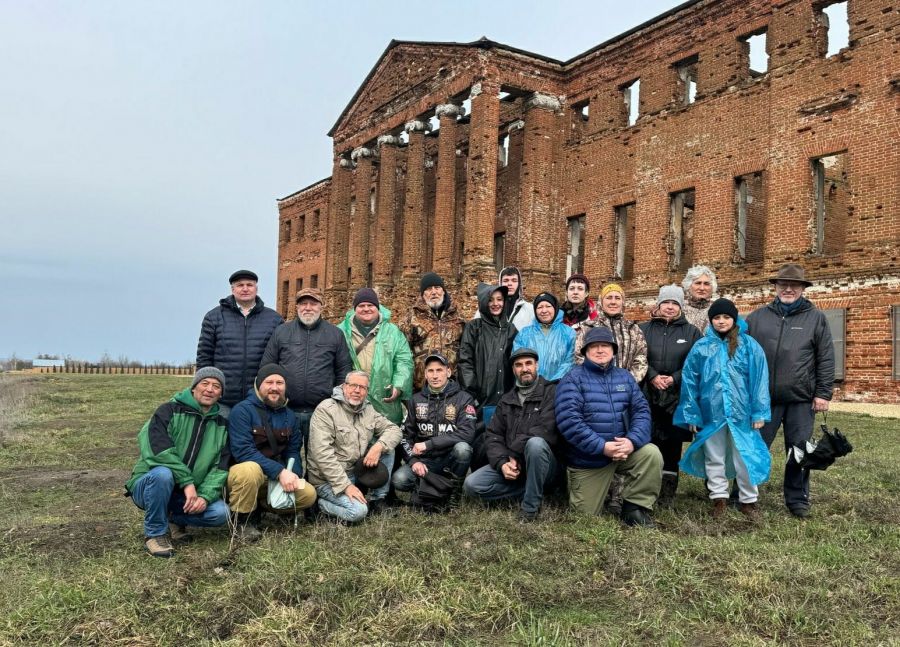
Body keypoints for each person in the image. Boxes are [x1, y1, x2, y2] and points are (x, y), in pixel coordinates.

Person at [746, 264, 834, 518]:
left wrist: (823, 393)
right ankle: (743, 493)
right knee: (754, 447)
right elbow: (742, 354)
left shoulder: (816, 318)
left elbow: (826, 358)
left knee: (798, 450)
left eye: (794, 285)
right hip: (764, 399)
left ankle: (797, 499)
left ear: (802, 288)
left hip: (801, 399)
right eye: (783, 285)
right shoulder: (757, 318)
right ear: (775, 287)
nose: (788, 289)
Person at [675, 298, 772, 520]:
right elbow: (690, 382)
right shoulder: (701, 347)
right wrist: (692, 414)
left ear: (734, 319)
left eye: (726, 317)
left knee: (744, 455)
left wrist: (759, 411)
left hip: (742, 413)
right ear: (711, 320)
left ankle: (748, 500)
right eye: (717, 317)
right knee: (714, 456)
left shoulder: (749, 346)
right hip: (711, 413)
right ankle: (718, 498)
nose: (721, 321)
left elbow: (759, 379)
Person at [555, 327, 662, 527]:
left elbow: (641, 411)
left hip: (624, 452)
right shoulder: (572, 379)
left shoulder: (625, 377)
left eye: (605, 345)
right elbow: (569, 421)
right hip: (589, 459)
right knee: (585, 519)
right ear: (585, 352)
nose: (600, 350)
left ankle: (634, 508)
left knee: (651, 454)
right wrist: (602, 447)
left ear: (613, 350)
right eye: (594, 346)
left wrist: (631, 442)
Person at [125, 367, 231, 557]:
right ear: (193, 387)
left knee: (221, 513)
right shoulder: (168, 411)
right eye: (205, 383)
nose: (210, 389)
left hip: (185, 496)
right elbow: (157, 451)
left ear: (221, 393)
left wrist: (204, 496)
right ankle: (155, 534)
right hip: (151, 485)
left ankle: (173, 519)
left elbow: (220, 468)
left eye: (216, 386)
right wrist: (187, 482)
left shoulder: (222, 426)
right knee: (163, 474)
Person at [464, 348, 562, 522]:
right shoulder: (507, 399)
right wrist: (502, 463)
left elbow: (546, 429)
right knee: (472, 485)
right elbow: (493, 435)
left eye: (528, 363)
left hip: (544, 466)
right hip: (513, 466)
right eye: (519, 365)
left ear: (537, 365)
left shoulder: (552, 392)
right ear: (513, 370)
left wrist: (513, 453)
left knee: (536, 444)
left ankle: (530, 508)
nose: (524, 369)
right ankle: (532, 491)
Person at [226, 364, 317, 541]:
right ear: (258, 384)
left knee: (308, 494)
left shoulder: (290, 416)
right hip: (242, 476)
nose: (274, 387)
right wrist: (280, 472)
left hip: (273, 478)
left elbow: (293, 451)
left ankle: (261, 506)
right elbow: (243, 452)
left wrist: (292, 474)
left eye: (279, 383)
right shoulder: (242, 411)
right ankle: (242, 522)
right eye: (269, 382)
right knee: (250, 470)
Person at [260, 288, 353, 451]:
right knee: (284, 455)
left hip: (321, 411)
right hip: (285, 409)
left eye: (313, 303)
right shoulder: (282, 332)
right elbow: (267, 368)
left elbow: (343, 371)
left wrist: (336, 404)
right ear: (296, 307)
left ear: (321, 306)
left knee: (319, 458)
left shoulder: (335, 334)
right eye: (303, 303)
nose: (308, 308)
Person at [307, 371, 403, 522]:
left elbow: (394, 430)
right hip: (328, 480)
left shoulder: (368, 409)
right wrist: (346, 486)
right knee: (357, 512)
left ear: (367, 391)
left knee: (387, 448)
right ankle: (320, 505)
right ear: (344, 387)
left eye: (362, 387)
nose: (357, 391)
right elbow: (322, 455)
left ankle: (378, 501)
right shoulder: (326, 410)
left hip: (356, 472)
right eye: (353, 385)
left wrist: (378, 447)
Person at [639, 285, 702, 507]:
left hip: (677, 398)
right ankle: (646, 489)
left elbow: (696, 363)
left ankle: (667, 493)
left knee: (672, 447)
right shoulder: (643, 329)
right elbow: (638, 356)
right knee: (648, 443)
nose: (670, 307)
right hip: (648, 395)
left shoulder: (692, 332)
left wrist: (675, 378)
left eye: (675, 303)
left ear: (681, 307)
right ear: (658, 305)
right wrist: (653, 376)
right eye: (666, 302)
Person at [393, 352, 476, 510]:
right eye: (430, 371)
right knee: (399, 480)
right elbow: (405, 436)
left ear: (448, 372)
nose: (435, 375)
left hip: (450, 459)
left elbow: (468, 433)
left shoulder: (464, 398)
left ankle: (454, 493)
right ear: (425, 374)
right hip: (425, 461)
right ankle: (431, 489)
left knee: (463, 449)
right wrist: (413, 461)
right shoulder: (415, 400)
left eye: (439, 370)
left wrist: (429, 444)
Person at [196, 270, 284, 410]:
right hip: (222, 399)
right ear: (233, 289)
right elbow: (204, 356)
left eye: (249, 285)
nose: (245, 289)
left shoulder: (274, 319)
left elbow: (280, 357)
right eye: (240, 285)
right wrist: (206, 388)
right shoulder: (214, 317)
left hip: (259, 399)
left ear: (256, 288)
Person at [338, 287, 414, 426]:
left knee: (386, 435)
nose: (366, 309)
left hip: (384, 397)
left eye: (370, 305)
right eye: (361, 306)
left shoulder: (393, 332)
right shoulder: (341, 331)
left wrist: (398, 385)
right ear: (355, 309)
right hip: (352, 396)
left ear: (377, 308)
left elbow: (403, 361)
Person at [458, 282, 518, 426]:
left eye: (499, 299)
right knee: (480, 434)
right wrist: (472, 394)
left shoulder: (511, 329)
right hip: (480, 399)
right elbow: (465, 362)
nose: (495, 304)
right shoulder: (474, 327)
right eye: (490, 300)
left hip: (505, 397)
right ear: (484, 302)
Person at [402, 272, 466, 391]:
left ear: (443, 291)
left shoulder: (458, 317)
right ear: (423, 294)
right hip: (421, 388)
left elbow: (466, 351)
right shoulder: (411, 318)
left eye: (437, 287)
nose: (434, 292)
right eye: (428, 289)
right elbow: (402, 354)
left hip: (453, 386)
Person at [584, 283, 648, 383]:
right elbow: (579, 357)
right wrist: (598, 382)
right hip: (594, 386)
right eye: (609, 298)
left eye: (617, 298)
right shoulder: (588, 327)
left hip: (626, 386)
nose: (613, 302)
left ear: (623, 302)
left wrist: (628, 381)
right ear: (601, 301)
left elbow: (641, 358)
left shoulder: (633, 329)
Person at [512, 292, 576, 382]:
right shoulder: (524, 333)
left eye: (548, 306)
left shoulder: (569, 333)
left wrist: (553, 382)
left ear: (555, 308)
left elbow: (570, 361)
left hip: (560, 385)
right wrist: (535, 383)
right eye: (540, 307)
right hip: (531, 386)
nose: (544, 310)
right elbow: (518, 360)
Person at [469, 266, 535, 331]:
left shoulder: (530, 309)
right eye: (506, 280)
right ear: (500, 283)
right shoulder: (486, 308)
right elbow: (474, 331)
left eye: (514, 280)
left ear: (519, 284)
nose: (510, 284)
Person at [681, 265, 718, 333]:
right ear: (689, 285)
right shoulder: (679, 310)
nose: (702, 288)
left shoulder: (718, 309)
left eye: (706, 284)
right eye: (698, 283)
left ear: (712, 287)